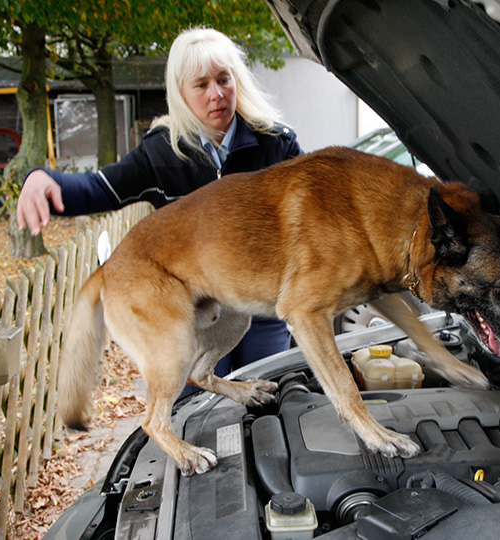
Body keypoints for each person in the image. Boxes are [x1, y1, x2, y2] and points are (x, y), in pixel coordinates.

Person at [16, 27, 303, 394]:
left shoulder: (277, 144)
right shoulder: (160, 151)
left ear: (237, 81)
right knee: (193, 415)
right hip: (194, 317)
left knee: (266, 402)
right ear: (181, 93)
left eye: (223, 79)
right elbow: (98, 188)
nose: (216, 94)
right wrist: (42, 178)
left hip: (263, 311)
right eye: (200, 85)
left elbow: (319, 203)